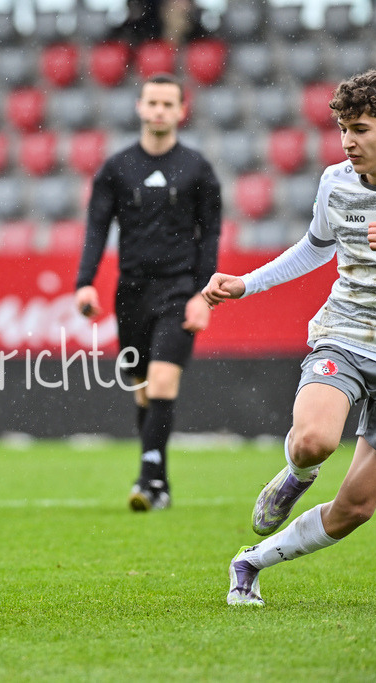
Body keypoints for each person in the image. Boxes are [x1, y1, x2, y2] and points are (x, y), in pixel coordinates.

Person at [205, 69, 376, 607]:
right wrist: (246, 284)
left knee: (355, 509)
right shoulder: (335, 183)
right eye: (343, 128)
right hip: (347, 334)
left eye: (362, 129)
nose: (348, 141)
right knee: (314, 441)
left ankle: (250, 562)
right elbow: (315, 248)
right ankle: (296, 474)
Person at [74, 73, 221, 512]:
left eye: (167, 104)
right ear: (140, 107)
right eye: (152, 102)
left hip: (179, 289)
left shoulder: (198, 168)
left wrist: (203, 295)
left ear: (181, 110)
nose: (159, 110)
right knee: (141, 387)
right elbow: (97, 228)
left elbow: (211, 235)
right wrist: (84, 282)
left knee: (162, 380)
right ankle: (160, 482)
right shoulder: (116, 168)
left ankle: (146, 479)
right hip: (131, 292)